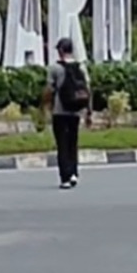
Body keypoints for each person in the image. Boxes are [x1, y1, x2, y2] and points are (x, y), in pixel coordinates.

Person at [43, 36, 91, 188]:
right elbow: (88, 90)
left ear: (61, 50)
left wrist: (45, 105)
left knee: (62, 145)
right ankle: (74, 174)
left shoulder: (55, 69)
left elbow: (50, 90)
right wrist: (89, 111)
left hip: (60, 111)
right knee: (73, 143)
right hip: (76, 111)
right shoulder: (81, 67)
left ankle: (65, 177)